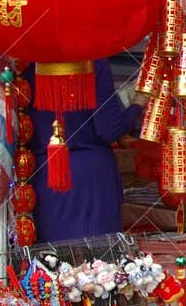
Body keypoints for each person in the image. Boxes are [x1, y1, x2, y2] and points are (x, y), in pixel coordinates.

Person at [25, 59, 140, 244]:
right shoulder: (94, 61)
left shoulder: (25, 63)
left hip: (44, 175)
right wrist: (138, 105)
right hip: (92, 179)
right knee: (99, 265)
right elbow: (109, 129)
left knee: (50, 263)